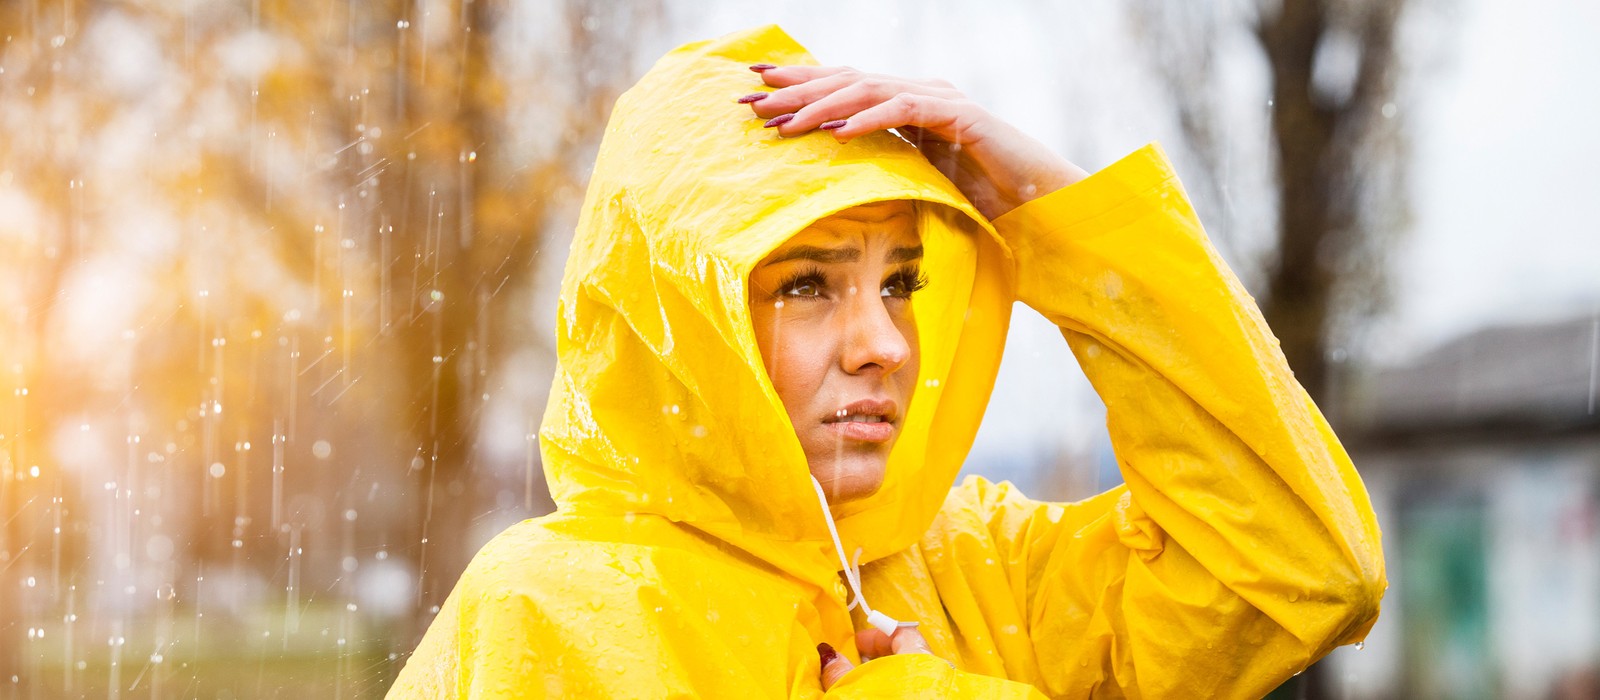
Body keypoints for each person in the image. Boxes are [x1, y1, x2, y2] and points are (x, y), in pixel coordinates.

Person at [387, 25, 1385, 698]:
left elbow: (1302, 568)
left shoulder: (980, 566)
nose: (882, 344)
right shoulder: (537, 618)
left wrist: (1059, 219)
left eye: (901, 283)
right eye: (808, 285)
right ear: (678, 318)